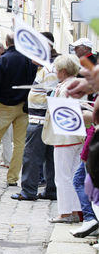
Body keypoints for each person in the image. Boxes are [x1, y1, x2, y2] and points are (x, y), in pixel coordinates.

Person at [0, 33, 38, 185]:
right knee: (19, 144)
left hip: (4, 105)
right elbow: (33, 83)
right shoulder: (29, 61)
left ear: (6, 43)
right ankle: (12, 178)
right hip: (23, 106)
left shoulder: (2, 60)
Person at [11, 32, 58, 202]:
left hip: (41, 121)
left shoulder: (49, 70)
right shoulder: (49, 68)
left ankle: (28, 191)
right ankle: (51, 190)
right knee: (49, 158)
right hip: (46, 121)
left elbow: (53, 95)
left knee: (31, 156)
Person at [47, 54, 86, 224]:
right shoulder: (74, 83)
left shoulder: (65, 87)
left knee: (63, 176)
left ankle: (65, 212)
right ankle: (77, 210)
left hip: (65, 136)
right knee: (74, 174)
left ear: (63, 71)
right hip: (76, 136)